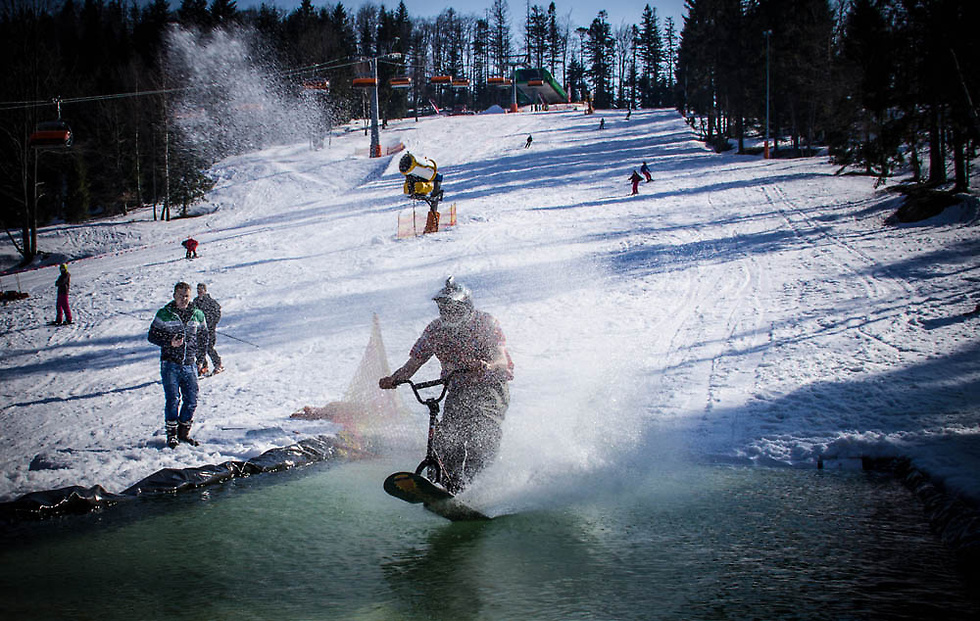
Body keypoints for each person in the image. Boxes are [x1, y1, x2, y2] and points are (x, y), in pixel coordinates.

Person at [379, 277, 514, 494]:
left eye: (454, 309)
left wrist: (488, 365)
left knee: (481, 431)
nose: (448, 314)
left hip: (489, 387)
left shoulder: (485, 323)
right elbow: (414, 363)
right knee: (447, 438)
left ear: (466, 307)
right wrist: (394, 379)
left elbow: (501, 358)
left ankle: (478, 486)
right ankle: (445, 485)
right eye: (444, 309)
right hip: (458, 388)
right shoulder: (435, 330)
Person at [148, 282, 209, 448]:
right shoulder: (164, 314)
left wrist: (201, 359)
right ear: (174, 295)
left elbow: (203, 337)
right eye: (181, 295)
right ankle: (172, 435)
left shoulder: (197, 314)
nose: (184, 299)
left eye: (187, 296)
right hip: (170, 363)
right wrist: (169, 342)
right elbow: (152, 336)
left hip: (190, 364)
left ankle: (184, 433)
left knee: (191, 399)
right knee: (173, 399)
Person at [193, 283, 223, 376]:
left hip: (209, 329)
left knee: (209, 347)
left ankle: (218, 365)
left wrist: (212, 323)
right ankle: (203, 366)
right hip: (199, 329)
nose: (199, 291)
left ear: (205, 290)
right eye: (198, 290)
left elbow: (217, 313)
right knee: (198, 348)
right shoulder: (195, 302)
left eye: (201, 289)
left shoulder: (211, 302)